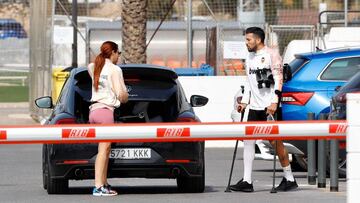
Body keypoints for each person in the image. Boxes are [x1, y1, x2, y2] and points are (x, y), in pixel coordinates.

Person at [229, 27, 298, 192]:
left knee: (275, 142)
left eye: (248, 40)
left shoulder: (271, 54)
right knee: (248, 140)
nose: (246, 43)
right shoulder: (249, 56)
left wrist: (274, 102)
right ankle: (247, 181)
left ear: (258, 40)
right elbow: (248, 81)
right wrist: (244, 102)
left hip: (270, 107)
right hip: (254, 106)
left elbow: (279, 79)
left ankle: (289, 178)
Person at [88, 41, 129, 196]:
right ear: (113, 52)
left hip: (93, 111)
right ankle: (98, 186)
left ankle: (103, 183)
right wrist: (126, 96)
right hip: (106, 112)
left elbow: (95, 76)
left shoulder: (93, 66)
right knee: (104, 150)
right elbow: (120, 94)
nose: (118, 57)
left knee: (104, 149)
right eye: (118, 53)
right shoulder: (115, 69)